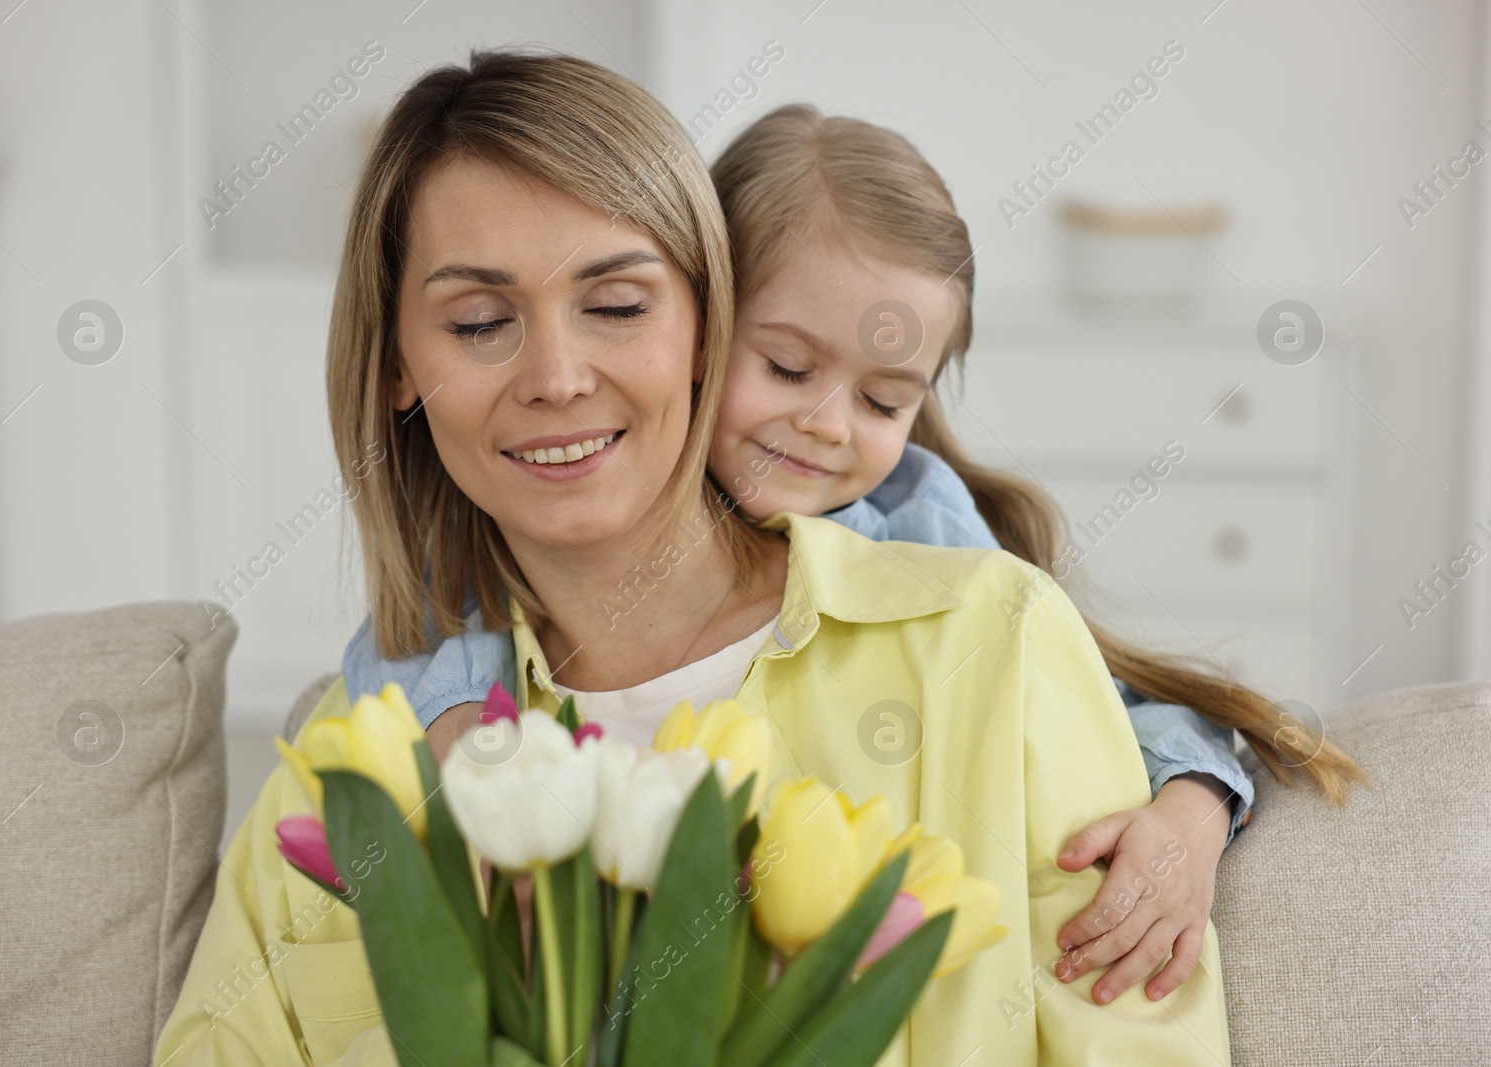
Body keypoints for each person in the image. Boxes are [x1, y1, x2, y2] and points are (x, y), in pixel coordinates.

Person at [157, 49, 1238, 1065]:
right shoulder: (354, 767)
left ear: (705, 323)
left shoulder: (989, 633)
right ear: (398, 363)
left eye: (618, 305)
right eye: (480, 321)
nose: (558, 375)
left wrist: (1194, 792)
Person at [344, 103, 1366, 1007]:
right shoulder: (536, 533)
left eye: (884, 399)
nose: (826, 426)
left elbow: (1106, 696)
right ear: (697, 325)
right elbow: (407, 638)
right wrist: (456, 732)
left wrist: (1186, 811)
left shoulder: (918, 531)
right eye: (785, 365)